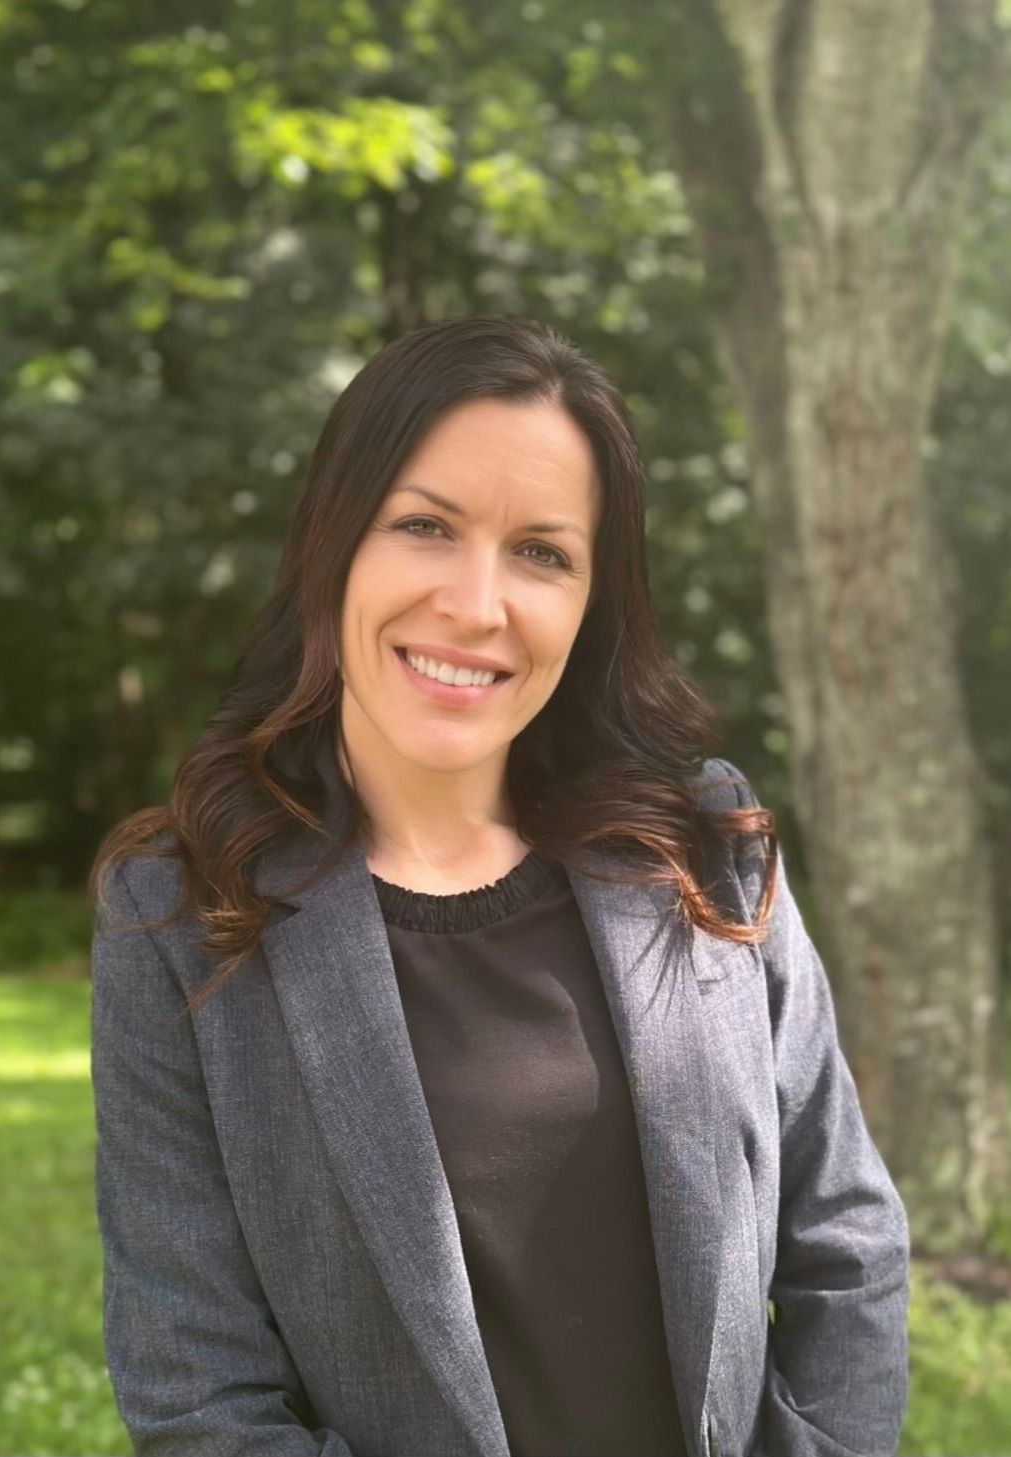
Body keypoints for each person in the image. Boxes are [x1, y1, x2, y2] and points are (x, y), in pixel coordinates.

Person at [89, 315, 910, 1457]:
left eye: (542, 551)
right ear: (334, 544)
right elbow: (199, 1396)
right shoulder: (179, 910)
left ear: (590, 600)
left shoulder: (705, 846)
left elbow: (849, 1241)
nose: (478, 604)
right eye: (426, 525)